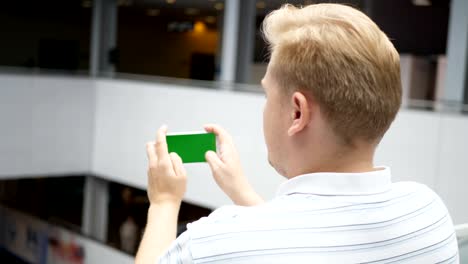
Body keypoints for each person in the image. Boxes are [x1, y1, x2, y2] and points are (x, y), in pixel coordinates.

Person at [135, 3, 459, 263]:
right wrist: (241, 190)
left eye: (266, 94)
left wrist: (164, 201)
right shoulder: (427, 212)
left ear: (297, 112)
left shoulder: (212, 243)